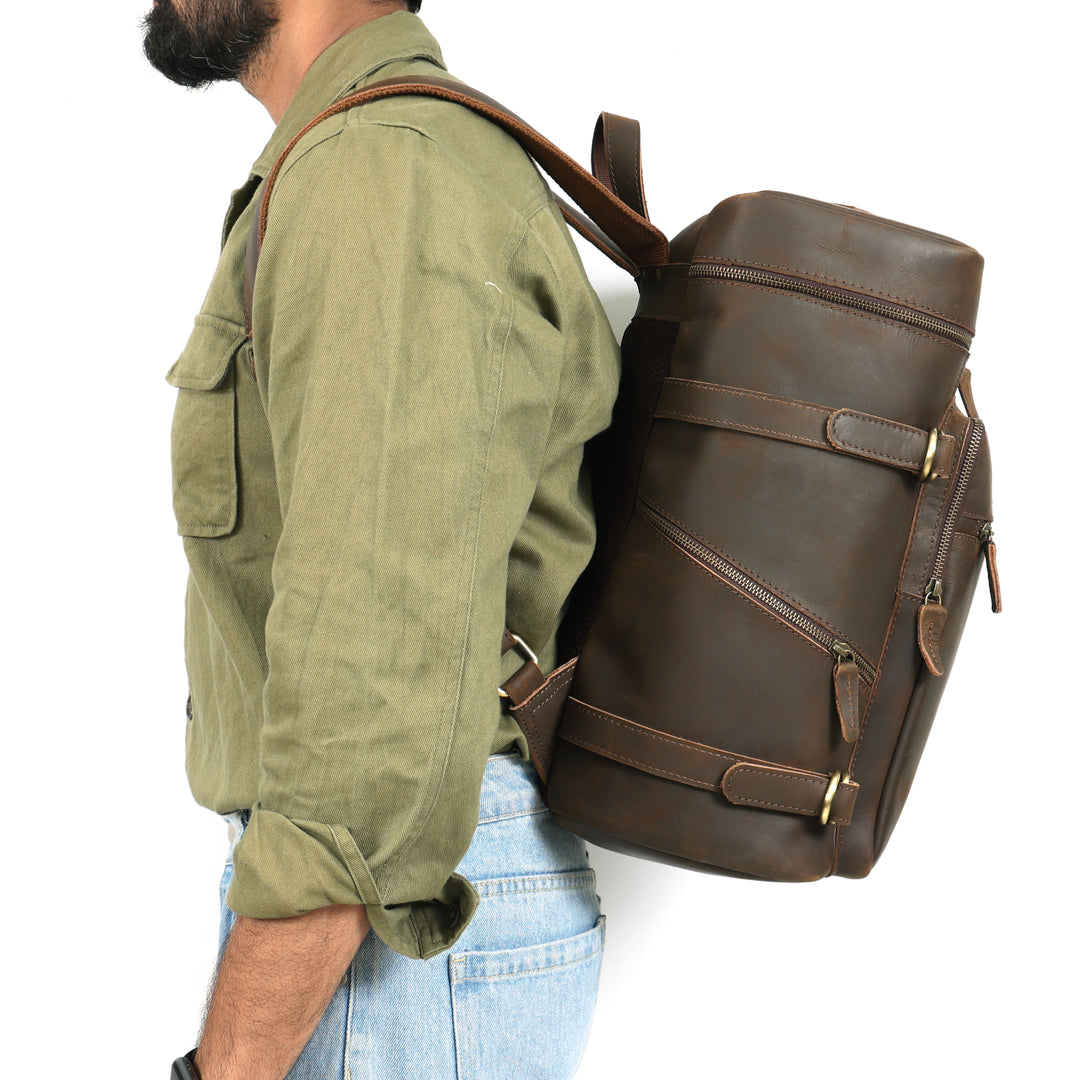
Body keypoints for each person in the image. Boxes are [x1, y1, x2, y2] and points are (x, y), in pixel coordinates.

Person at [144, 2, 620, 1078]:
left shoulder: (380, 174)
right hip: (392, 908)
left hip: (391, 919)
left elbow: (370, 698)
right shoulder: (369, 158)